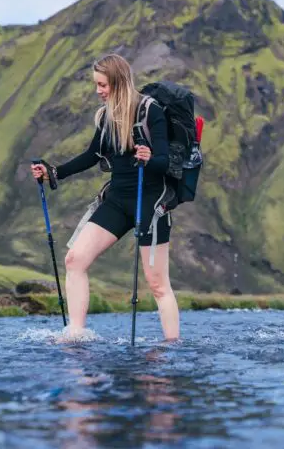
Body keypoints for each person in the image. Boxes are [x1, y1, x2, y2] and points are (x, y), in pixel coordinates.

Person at [30, 53, 179, 340]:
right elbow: (91, 156)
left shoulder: (151, 112)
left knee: (158, 284)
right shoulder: (106, 116)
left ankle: (172, 346)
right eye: (96, 85)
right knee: (74, 260)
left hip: (150, 202)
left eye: (103, 85)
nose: (98, 91)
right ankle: (76, 334)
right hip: (117, 200)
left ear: (119, 82)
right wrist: (53, 172)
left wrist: (149, 157)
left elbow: (163, 162)